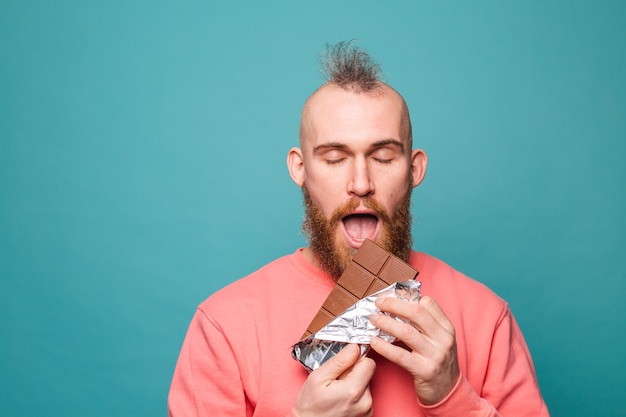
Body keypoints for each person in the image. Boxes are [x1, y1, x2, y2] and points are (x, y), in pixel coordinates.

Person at [168, 42, 550, 417]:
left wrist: (453, 398)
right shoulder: (224, 325)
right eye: (335, 158)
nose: (361, 182)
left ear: (414, 169)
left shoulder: (486, 317)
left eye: (383, 157)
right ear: (300, 169)